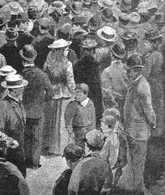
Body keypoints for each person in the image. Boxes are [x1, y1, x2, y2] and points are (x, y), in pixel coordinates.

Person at [116, 54, 156, 195]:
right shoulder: (134, 82)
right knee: (132, 160)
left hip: (139, 130)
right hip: (132, 128)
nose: (127, 73)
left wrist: (153, 123)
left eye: (129, 70)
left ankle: (138, 190)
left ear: (137, 70)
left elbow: (149, 109)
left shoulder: (143, 85)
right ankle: (132, 187)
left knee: (138, 162)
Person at [20, 44, 54, 169]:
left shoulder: (21, 74)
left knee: (26, 137)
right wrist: (41, 100)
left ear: (23, 59)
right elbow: (51, 93)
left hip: (24, 111)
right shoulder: (42, 74)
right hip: (38, 110)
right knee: (37, 138)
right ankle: (34, 163)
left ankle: (26, 161)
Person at [43, 39, 75, 156]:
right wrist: (74, 92)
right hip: (62, 92)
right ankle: (59, 147)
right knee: (61, 120)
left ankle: (48, 145)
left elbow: (46, 79)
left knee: (50, 119)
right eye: (65, 49)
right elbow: (70, 81)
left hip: (51, 93)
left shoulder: (47, 64)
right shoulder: (67, 64)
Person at [0, 73, 28, 175]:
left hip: (20, 149)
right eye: (21, 87)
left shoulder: (19, 102)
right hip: (9, 151)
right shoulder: (3, 105)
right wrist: (10, 141)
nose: (23, 89)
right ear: (14, 89)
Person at [67, 129, 112, 195]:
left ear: (86, 144)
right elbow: (107, 189)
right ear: (102, 146)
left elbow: (72, 190)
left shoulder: (81, 165)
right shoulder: (106, 165)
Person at [64, 83, 96, 150]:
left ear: (85, 94)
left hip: (89, 129)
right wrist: (70, 130)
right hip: (78, 130)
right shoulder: (73, 105)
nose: (76, 96)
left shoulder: (90, 103)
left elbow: (93, 117)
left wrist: (93, 129)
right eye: (76, 94)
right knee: (79, 147)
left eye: (79, 94)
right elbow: (68, 119)